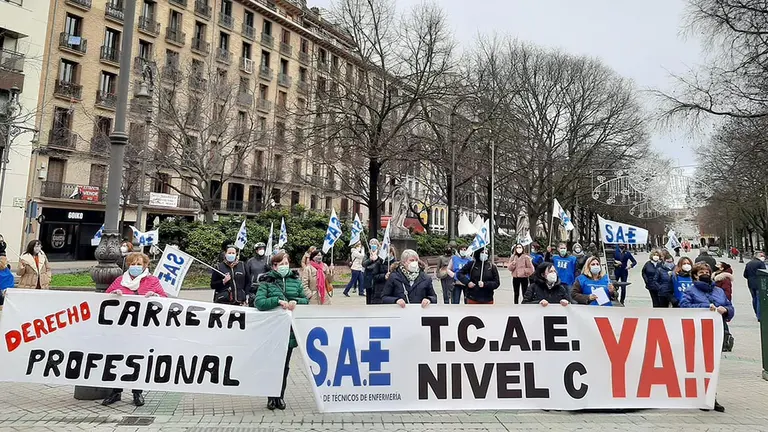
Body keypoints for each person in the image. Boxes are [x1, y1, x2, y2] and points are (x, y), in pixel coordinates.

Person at [102, 252, 167, 407]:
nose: (135, 267)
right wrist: (113, 295)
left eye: (139, 264)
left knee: (138, 360)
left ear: (145, 265)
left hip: (142, 329)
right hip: (121, 329)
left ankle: (137, 392)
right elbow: (105, 297)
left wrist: (155, 296)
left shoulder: (152, 281)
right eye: (132, 264)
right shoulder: (119, 280)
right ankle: (116, 391)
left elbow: (164, 299)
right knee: (117, 358)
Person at [253, 252, 308, 410]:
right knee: (272, 364)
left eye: (286, 263)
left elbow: (305, 300)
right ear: (274, 266)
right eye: (281, 264)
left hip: (289, 330)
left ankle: (280, 396)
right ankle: (271, 397)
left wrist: (295, 301)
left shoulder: (295, 281)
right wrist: (277, 301)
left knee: (285, 365)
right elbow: (259, 302)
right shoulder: (267, 282)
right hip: (272, 330)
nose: (284, 266)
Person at [681, 262, 732, 413]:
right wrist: (704, 309)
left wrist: (726, 310)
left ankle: (711, 397)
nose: (705, 274)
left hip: (717, 331)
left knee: (713, 365)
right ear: (695, 275)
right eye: (701, 272)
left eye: (707, 272)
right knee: (700, 365)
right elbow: (684, 307)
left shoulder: (719, 291)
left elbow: (730, 307)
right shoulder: (690, 291)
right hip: (698, 332)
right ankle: (701, 395)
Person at [363, 239, 387, 304]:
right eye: (372, 244)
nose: (373, 245)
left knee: (375, 293)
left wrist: (376, 259)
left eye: (374, 244)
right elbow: (364, 264)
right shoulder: (368, 253)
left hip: (376, 276)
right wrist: (370, 259)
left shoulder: (381, 254)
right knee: (368, 293)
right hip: (368, 276)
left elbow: (379, 264)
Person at [744, 251, 766, 321]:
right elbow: (764, 273)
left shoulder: (749, 263)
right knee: (759, 299)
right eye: (762, 256)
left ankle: (756, 313)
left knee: (754, 299)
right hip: (759, 283)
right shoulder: (760, 263)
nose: (764, 257)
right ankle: (759, 316)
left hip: (750, 284)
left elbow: (745, 275)